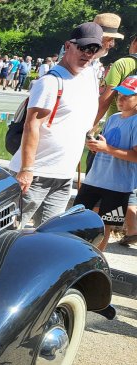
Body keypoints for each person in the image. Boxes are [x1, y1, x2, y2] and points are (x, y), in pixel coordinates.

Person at [10, 22, 103, 227]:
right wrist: (26, 169)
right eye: (83, 47)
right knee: (11, 232)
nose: (88, 53)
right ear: (68, 46)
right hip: (36, 175)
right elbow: (31, 126)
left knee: (51, 236)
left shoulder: (87, 76)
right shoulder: (50, 82)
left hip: (64, 175)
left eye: (94, 49)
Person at [77, 77, 137, 249]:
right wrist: (95, 146)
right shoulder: (114, 118)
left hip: (118, 186)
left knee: (105, 226)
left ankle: (97, 259)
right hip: (94, 180)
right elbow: (105, 144)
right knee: (78, 220)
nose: (121, 98)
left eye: (128, 95)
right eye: (120, 94)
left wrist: (106, 149)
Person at [94, 31, 137, 244]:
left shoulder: (121, 64)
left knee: (104, 207)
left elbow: (106, 98)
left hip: (114, 135)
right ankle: (131, 230)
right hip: (126, 135)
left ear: (134, 42)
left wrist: (92, 125)